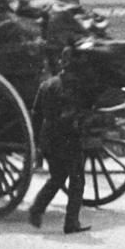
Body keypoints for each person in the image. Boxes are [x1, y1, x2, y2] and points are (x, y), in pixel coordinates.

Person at [28, 70, 91, 234]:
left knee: (57, 177)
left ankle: (37, 208)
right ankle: (71, 222)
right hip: (69, 138)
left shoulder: (46, 85)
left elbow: (36, 113)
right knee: (77, 181)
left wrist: (37, 140)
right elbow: (80, 112)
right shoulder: (74, 87)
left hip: (49, 137)